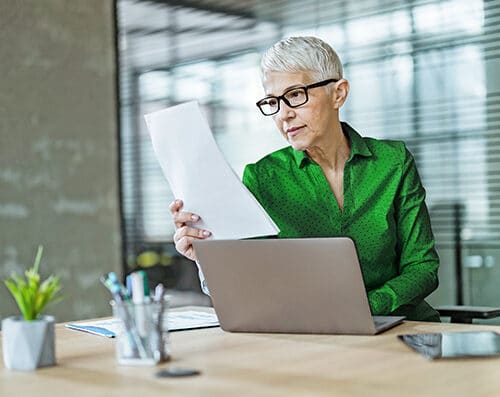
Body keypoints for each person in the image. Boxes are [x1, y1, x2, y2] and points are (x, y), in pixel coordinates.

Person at [169, 36, 440, 322]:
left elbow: (422, 267)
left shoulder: (392, 162)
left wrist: (365, 307)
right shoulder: (263, 177)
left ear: (339, 93)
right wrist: (205, 258)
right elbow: (246, 284)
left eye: (296, 95)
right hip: (310, 332)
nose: (284, 114)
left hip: (400, 326)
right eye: (273, 101)